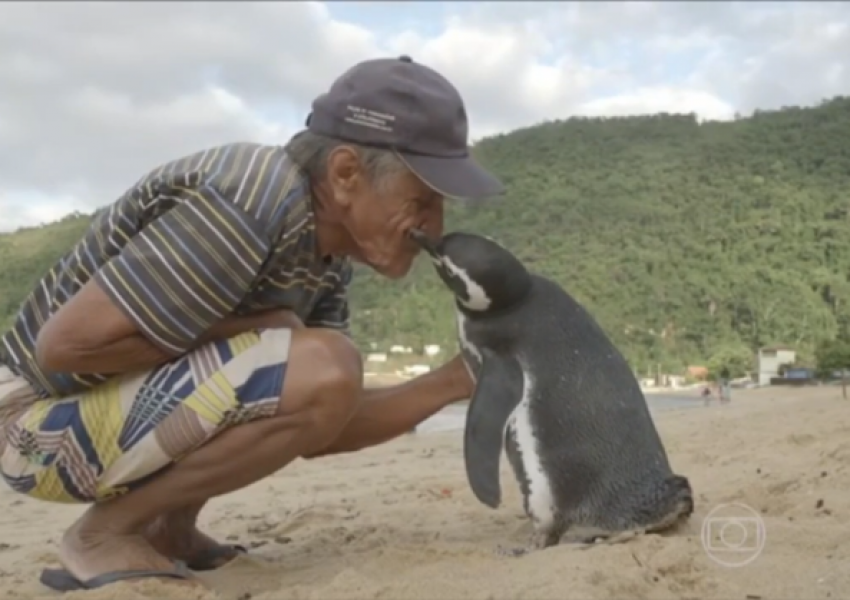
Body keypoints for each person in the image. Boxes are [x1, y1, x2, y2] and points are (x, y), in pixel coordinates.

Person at [0, 55, 503, 591]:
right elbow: (64, 349)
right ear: (346, 173)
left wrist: (457, 379)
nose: (435, 225)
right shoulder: (247, 199)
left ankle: (169, 528)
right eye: (421, 199)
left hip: (89, 418)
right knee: (320, 357)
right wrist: (266, 329)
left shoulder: (322, 260)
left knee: (322, 363)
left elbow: (320, 417)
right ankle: (102, 536)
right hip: (30, 425)